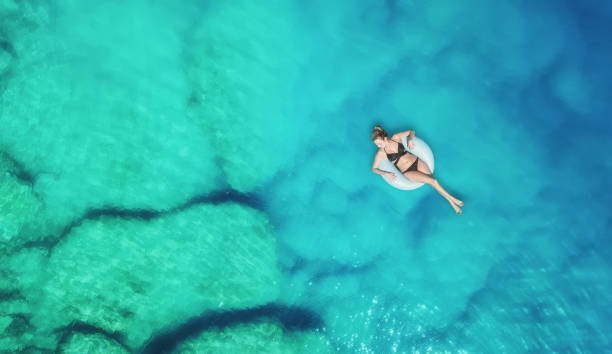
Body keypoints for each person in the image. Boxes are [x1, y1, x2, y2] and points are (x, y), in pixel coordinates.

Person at [371, 125, 464, 214]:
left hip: (417, 161)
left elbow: (411, 131)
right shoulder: (381, 153)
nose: (378, 146)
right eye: (376, 144)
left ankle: (451, 203)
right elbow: (374, 169)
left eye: (379, 143)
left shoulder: (396, 137)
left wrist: (410, 140)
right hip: (408, 171)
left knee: (433, 183)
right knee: (434, 181)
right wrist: (385, 173)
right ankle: (453, 200)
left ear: (384, 137)